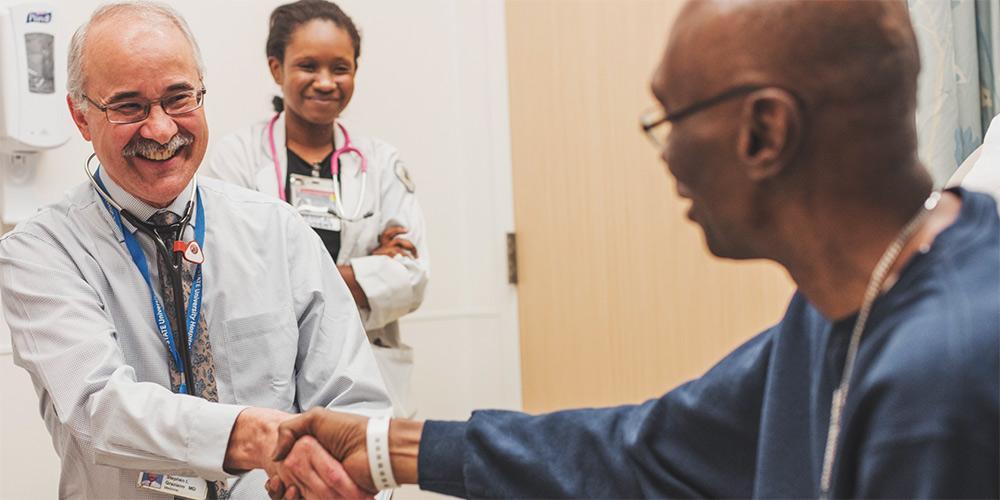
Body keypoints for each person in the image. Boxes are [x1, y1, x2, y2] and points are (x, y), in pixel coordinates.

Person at [263, 0, 1000, 498]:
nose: (668, 156)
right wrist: (388, 447)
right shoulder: (838, 308)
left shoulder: (944, 378)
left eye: (671, 118)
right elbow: (647, 448)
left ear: (765, 133)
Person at [0, 3, 391, 498]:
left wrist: (346, 473)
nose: (161, 129)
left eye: (178, 98)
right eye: (128, 106)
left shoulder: (277, 231)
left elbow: (354, 399)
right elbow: (100, 408)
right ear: (80, 116)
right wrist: (252, 436)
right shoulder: (41, 253)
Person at [203, 0, 429, 418]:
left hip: (367, 374)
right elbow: (230, 280)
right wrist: (362, 271)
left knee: (361, 478)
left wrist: (287, 278)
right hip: (267, 383)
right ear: (277, 69)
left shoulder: (380, 163)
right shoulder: (237, 159)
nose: (325, 82)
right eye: (308, 66)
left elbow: (411, 277)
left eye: (340, 68)